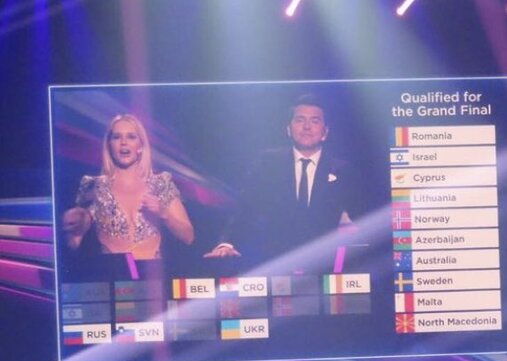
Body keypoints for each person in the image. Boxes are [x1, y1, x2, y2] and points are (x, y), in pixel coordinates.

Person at [204, 93, 356, 268]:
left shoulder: (342, 171)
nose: (307, 127)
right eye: (300, 120)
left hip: (326, 266)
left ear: (325, 132)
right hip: (276, 264)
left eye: (314, 121)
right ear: (288, 129)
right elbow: (246, 209)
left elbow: (360, 214)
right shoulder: (268, 163)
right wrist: (228, 243)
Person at [62, 113, 194, 260]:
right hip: (112, 272)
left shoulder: (161, 183)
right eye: (117, 137)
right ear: (109, 145)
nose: (124, 142)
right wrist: (75, 232)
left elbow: (188, 236)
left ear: (141, 146)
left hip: (152, 272)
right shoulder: (95, 186)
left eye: (131, 137)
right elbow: (73, 241)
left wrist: (163, 214)